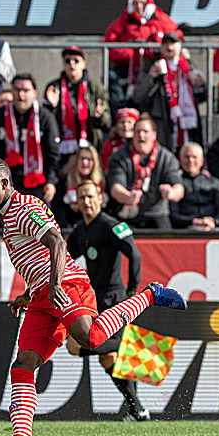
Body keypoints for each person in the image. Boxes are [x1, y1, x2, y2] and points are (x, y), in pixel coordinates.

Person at [0, 157, 187, 436]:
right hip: (43, 295)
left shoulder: (23, 207)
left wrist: (54, 284)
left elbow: (57, 243)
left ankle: (151, 295)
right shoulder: (10, 214)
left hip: (67, 286)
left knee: (89, 339)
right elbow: (37, 256)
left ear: (4, 182)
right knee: (24, 363)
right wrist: (30, 292)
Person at [65, 179, 150, 421]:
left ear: (100, 198)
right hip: (94, 300)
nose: (86, 201)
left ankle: (127, 349)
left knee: (76, 346)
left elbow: (134, 254)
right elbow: (64, 260)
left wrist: (132, 291)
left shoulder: (111, 225)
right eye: (82, 197)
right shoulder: (81, 232)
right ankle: (138, 410)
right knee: (108, 358)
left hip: (115, 298)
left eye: (90, 196)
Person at [0, 73, 61, 205]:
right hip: (6, 186)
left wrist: (51, 182)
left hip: (37, 185)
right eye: (17, 89)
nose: (21, 95)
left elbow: (53, 155)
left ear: (34, 93)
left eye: (25, 90)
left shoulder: (44, 118)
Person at [103, 0, 178, 109]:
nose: (139, 6)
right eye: (135, 3)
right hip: (125, 70)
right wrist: (133, 54)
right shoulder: (121, 23)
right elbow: (109, 49)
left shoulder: (161, 21)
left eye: (142, 3)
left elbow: (176, 36)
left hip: (151, 68)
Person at [132, 29, 206, 152]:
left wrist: (202, 85)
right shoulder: (153, 67)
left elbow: (202, 98)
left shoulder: (188, 67)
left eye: (173, 43)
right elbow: (138, 97)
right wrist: (150, 78)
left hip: (187, 123)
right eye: (166, 43)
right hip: (164, 124)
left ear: (180, 46)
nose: (169, 46)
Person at [106, 114, 184, 230]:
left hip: (157, 214)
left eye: (145, 132)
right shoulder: (119, 157)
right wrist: (127, 196)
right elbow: (115, 188)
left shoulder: (166, 157)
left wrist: (171, 192)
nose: (141, 135)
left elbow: (179, 188)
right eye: (137, 132)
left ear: (153, 135)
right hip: (127, 213)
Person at [44, 45, 110, 160]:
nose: (72, 64)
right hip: (62, 150)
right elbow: (46, 121)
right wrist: (51, 105)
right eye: (67, 61)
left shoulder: (95, 87)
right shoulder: (54, 87)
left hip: (89, 147)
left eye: (76, 60)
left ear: (84, 64)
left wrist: (98, 116)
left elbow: (107, 122)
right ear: (63, 64)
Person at [171, 142, 219, 231]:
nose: (190, 160)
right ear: (180, 160)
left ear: (202, 161)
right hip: (186, 230)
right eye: (187, 157)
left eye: (194, 157)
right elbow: (173, 215)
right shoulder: (175, 184)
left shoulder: (214, 182)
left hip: (213, 229)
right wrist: (195, 221)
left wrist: (214, 222)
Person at [53, 145, 105, 229]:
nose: (85, 162)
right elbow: (58, 206)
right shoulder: (67, 178)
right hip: (70, 225)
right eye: (82, 158)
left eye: (89, 159)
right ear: (76, 160)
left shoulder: (100, 180)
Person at [100, 107, 137, 172]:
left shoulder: (139, 145)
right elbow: (105, 167)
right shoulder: (109, 144)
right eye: (122, 122)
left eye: (129, 122)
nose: (125, 125)